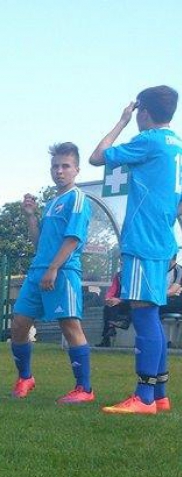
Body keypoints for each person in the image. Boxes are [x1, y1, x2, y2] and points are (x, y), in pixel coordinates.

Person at [90, 85, 181, 415]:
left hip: (143, 240)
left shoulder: (149, 140)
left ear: (143, 112)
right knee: (151, 314)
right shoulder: (176, 145)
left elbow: (97, 156)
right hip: (163, 241)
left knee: (143, 314)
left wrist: (121, 121)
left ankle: (143, 397)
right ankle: (159, 393)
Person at [6, 143, 94, 403]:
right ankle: (25, 377)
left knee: (69, 325)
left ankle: (84, 389)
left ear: (76, 169)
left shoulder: (77, 198)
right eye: (55, 166)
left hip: (63, 271)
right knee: (19, 323)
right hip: (37, 271)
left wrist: (54, 268)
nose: (59, 171)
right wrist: (31, 216)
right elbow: (40, 242)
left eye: (65, 166)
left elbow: (73, 239)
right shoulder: (52, 202)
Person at [99, 271, 129, 347]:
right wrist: (108, 299)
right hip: (120, 302)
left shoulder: (134, 273)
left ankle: (107, 336)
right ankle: (111, 329)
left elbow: (133, 295)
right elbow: (113, 289)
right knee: (108, 306)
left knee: (113, 306)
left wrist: (120, 300)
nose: (122, 263)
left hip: (131, 302)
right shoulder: (119, 275)